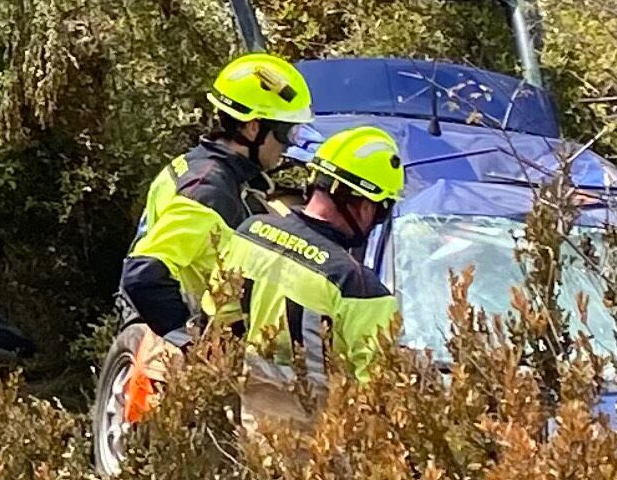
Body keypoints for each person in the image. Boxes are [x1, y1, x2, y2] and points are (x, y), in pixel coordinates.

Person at [120, 52, 313, 342]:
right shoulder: (209, 191)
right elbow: (143, 275)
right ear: (253, 127)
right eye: (287, 132)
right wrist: (191, 347)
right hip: (168, 335)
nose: (288, 146)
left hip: (155, 323)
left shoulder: (203, 164)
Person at [218, 125, 407, 407]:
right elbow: (380, 395)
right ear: (367, 206)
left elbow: (214, 325)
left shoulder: (250, 233)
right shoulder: (359, 287)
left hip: (242, 424)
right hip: (315, 438)